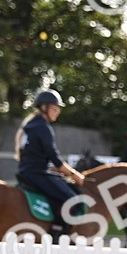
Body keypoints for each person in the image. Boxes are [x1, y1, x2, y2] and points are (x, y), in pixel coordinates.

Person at [15, 89, 85, 237]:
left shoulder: (31, 125)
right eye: (54, 109)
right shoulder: (43, 127)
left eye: (58, 109)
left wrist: (53, 168)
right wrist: (75, 175)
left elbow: (36, 155)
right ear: (44, 108)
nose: (57, 112)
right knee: (72, 200)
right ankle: (56, 233)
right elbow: (55, 157)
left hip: (27, 172)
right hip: (36, 174)